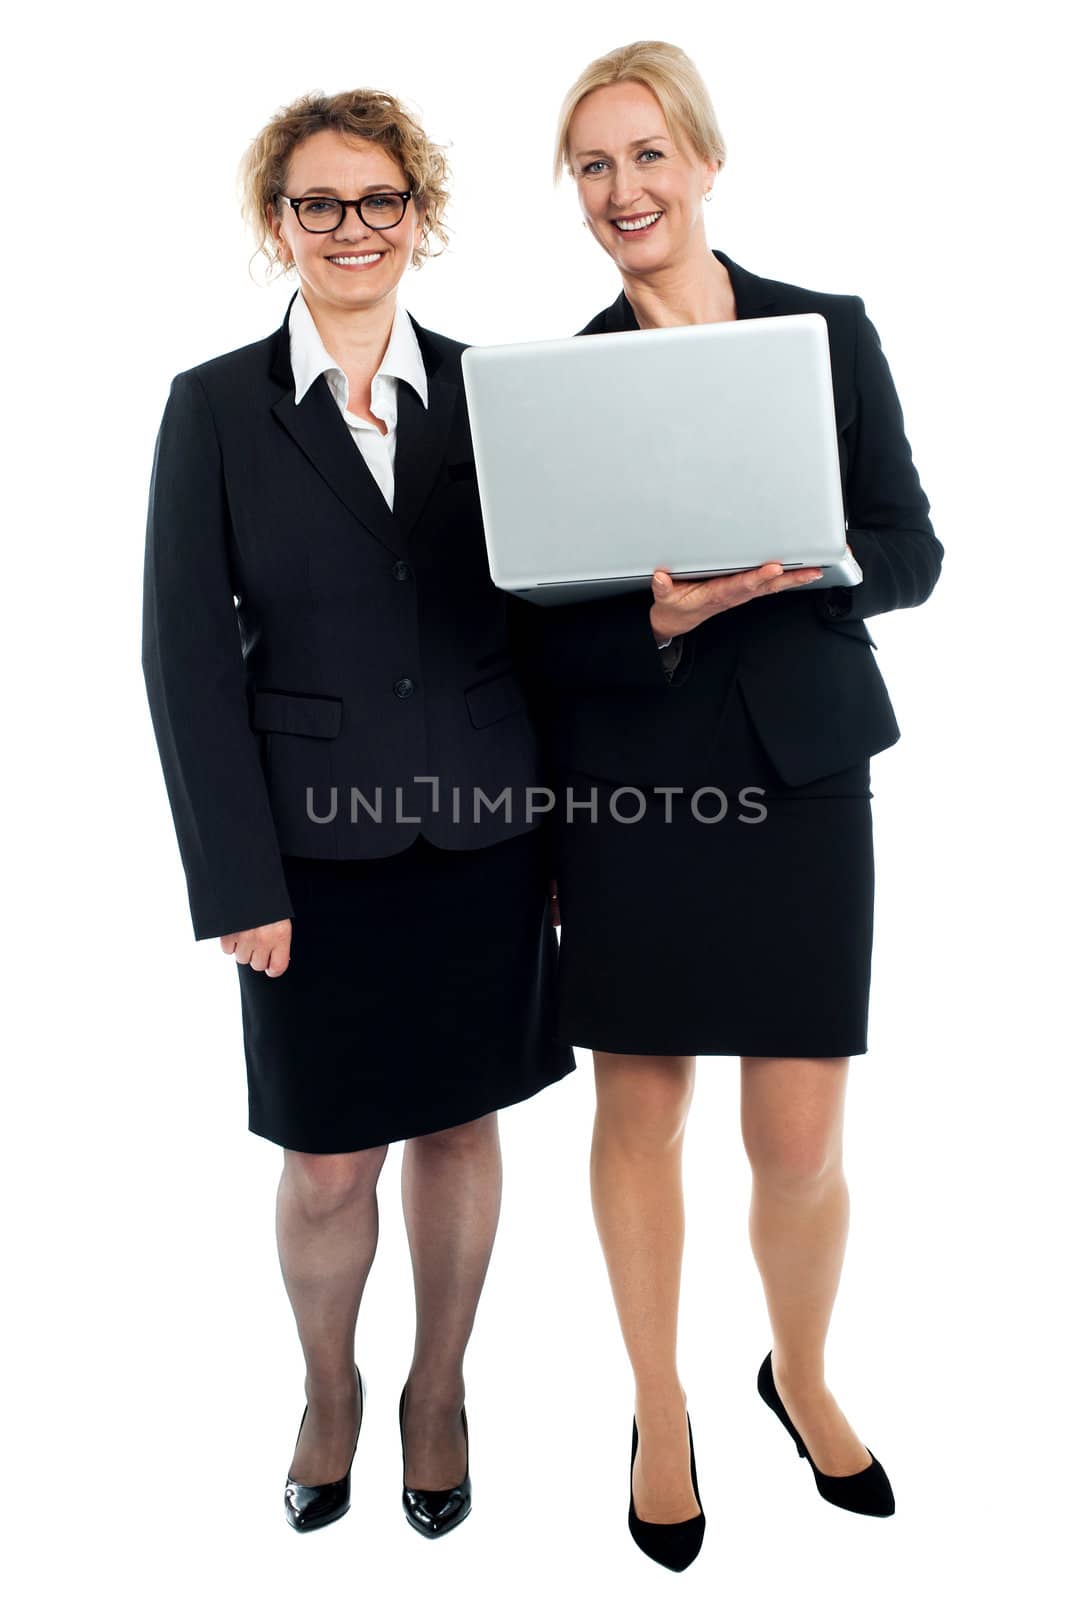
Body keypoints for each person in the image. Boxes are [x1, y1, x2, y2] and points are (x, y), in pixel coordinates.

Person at [508, 39, 942, 1570]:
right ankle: (657, 1409)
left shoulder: (825, 334)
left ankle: (801, 1375)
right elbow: (533, 628)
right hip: (633, 783)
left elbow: (913, 550)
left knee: (802, 1135)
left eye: (643, 156)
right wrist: (662, 619)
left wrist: (805, 561)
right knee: (639, 1110)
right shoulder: (552, 381)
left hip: (804, 770)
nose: (621, 190)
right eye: (591, 167)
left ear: (701, 162)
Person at [140, 88, 575, 1541]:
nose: (351, 228)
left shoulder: (493, 393)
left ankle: (436, 1392)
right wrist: (233, 880)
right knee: (328, 1158)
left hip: (485, 834)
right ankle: (328, 1389)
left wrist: (569, 845)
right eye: (319, 203)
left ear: (419, 217)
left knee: (461, 1129)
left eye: (378, 199)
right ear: (281, 224)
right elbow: (186, 655)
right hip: (308, 852)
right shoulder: (214, 407)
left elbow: (542, 629)